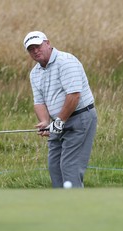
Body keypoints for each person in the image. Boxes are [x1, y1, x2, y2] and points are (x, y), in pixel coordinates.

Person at [23, 31, 97, 188]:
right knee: (54, 167)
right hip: (59, 122)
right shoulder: (35, 73)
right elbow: (39, 102)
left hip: (80, 118)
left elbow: (74, 95)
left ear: (47, 43)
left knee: (69, 167)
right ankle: (61, 207)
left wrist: (59, 121)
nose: (35, 51)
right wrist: (44, 121)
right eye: (31, 49)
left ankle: (76, 209)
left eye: (38, 46)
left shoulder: (66, 61)